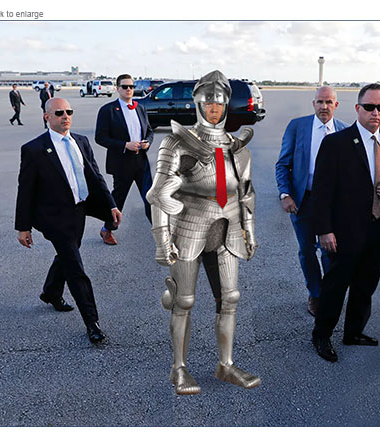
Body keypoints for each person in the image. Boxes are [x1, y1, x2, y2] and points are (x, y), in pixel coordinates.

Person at [147, 70, 260, 395]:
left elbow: (246, 192)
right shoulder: (178, 142)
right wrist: (162, 241)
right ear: (198, 104)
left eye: (219, 103)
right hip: (189, 226)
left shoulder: (237, 147)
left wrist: (249, 230)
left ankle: (225, 364)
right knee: (184, 300)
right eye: (208, 102)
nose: (214, 108)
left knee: (230, 298)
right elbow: (158, 194)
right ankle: (179, 369)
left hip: (228, 228)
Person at [15, 97, 122, 343]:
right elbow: (26, 190)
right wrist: (23, 227)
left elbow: (96, 176)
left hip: (78, 210)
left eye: (69, 112)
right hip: (53, 217)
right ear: (47, 117)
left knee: (69, 253)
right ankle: (92, 323)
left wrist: (111, 205)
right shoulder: (34, 149)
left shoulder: (81, 142)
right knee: (75, 266)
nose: (66, 116)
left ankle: (51, 292)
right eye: (59, 113)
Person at [311, 83, 380, 362]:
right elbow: (322, 190)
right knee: (336, 286)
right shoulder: (337, 143)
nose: (375, 112)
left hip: (378, 227)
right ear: (357, 108)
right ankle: (322, 334)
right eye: (369, 107)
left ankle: (353, 332)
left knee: (366, 285)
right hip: (344, 231)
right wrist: (324, 230)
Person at [275, 86, 348, 317]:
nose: (323, 106)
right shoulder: (298, 127)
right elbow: (282, 164)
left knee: (330, 250)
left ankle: (329, 292)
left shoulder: (344, 131)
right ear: (313, 103)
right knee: (307, 250)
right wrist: (285, 194)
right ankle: (315, 294)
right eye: (319, 102)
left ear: (336, 105)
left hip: (332, 204)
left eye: (328, 102)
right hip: (303, 200)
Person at [95, 74, 154, 245]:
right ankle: (107, 230)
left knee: (151, 199)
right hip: (122, 163)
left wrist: (147, 143)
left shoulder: (140, 108)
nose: (128, 89)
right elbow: (100, 137)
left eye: (131, 86)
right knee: (118, 200)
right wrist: (124, 145)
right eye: (125, 87)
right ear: (117, 88)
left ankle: (161, 233)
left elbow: (149, 131)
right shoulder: (108, 110)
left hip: (141, 162)